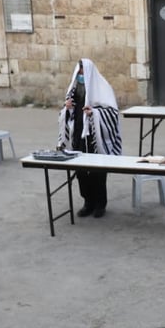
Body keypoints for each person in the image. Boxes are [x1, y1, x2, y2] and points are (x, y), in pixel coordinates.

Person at [57, 58, 122, 218]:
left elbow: (113, 113)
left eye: (83, 72)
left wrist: (95, 113)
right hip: (78, 137)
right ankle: (88, 202)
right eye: (78, 72)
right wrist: (67, 108)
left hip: (95, 138)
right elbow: (65, 115)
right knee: (80, 172)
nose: (80, 76)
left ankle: (100, 204)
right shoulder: (73, 91)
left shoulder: (102, 88)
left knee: (97, 171)